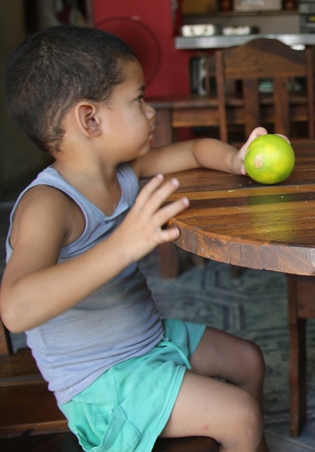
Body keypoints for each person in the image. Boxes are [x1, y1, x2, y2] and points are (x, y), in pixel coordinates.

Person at [0, 26, 272, 452]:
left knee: (248, 361)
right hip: (101, 381)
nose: (152, 113)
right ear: (90, 119)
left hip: (149, 342)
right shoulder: (47, 205)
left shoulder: (121, 171)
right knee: (240, 414)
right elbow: (16, 309)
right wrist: (123, 245)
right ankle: (239, 434)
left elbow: (196, 149)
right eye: (138, 99)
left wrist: (237, 160)